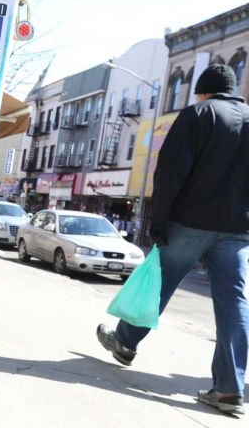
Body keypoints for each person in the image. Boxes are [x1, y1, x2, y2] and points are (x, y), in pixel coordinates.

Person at [97, 64, 249, 416]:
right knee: (234, 302)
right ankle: (229, 388)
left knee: (158, 284)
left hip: (190, 222)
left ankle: (124, 343)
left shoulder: (198, 114)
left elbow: (169, 171)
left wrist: (159, 222)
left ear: (204, 91)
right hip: (238, 229)